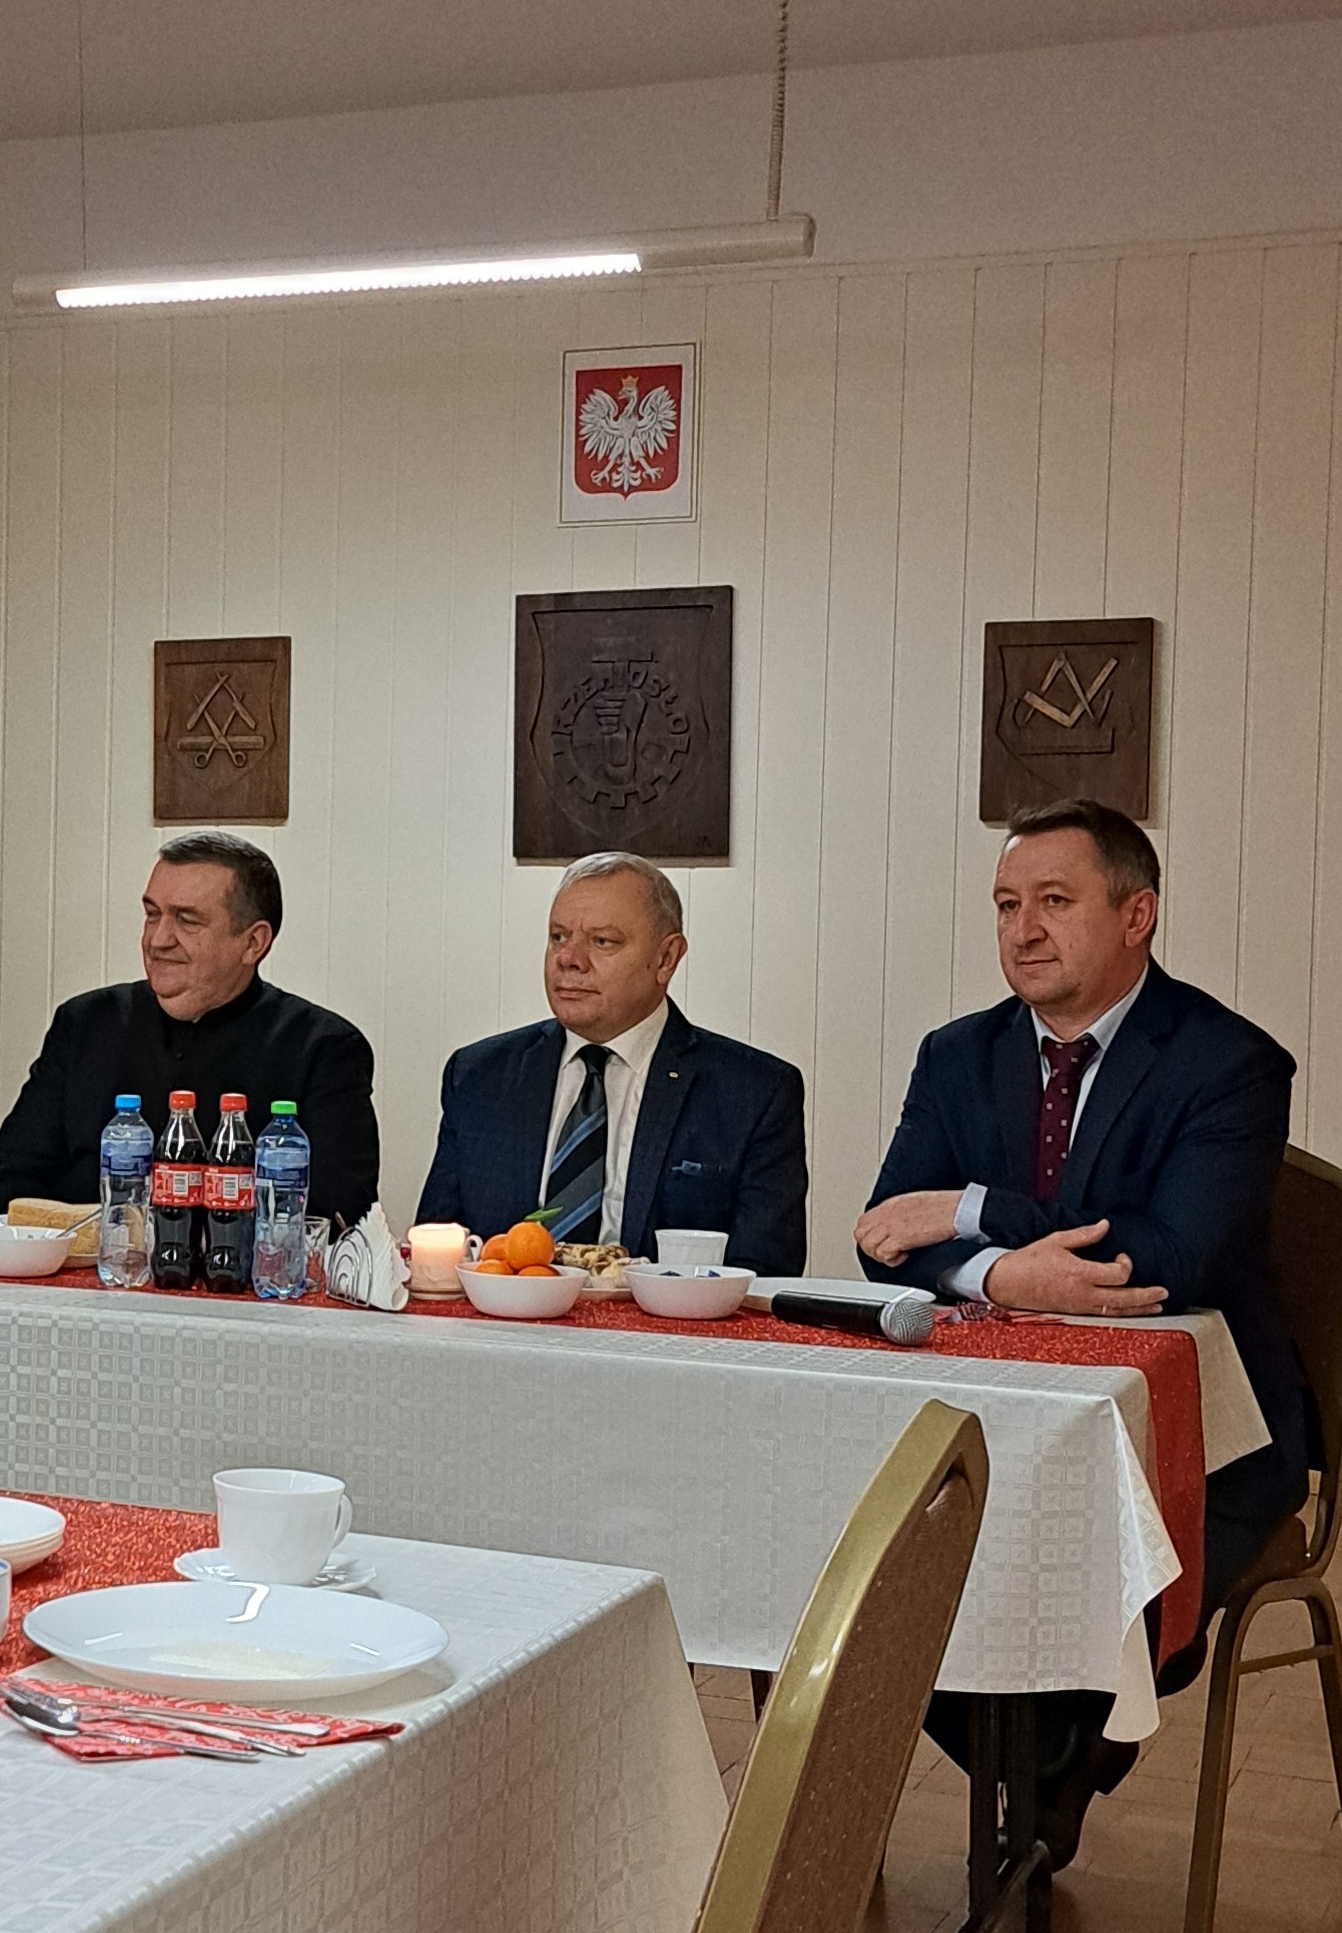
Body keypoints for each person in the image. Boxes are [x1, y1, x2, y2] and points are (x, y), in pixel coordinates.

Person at [858, 798, 1311, 1867]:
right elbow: (883, 1236)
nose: (1022, 930)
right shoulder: (956, 1055)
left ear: (1134, 914)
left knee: (1093, 1606)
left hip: (1205, 1440)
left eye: (1054, 902)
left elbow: (1169, 1256)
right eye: (1005, 905)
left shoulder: (1229, 1061)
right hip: (993, 1418)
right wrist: (1000, 1273)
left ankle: (1052, 1764)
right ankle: (1045, 1771)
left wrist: (973, 1212)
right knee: (884, 1572)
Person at [415, 851, 807, 1270]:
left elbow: (765, 1275)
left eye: (602, 941)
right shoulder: (479, 1076)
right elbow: (437, 1254)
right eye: (558, 937)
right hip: (502, 1312)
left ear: (666, 959)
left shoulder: (753, 1093)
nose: (569, 959)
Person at [0, 834, 380, 1220]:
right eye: (152, 914)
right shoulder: (87, 1023)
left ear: (253, 943)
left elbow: (338, 1219)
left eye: (187, 920)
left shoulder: (323, 1049)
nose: (158, 940)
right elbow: (1, 1180)